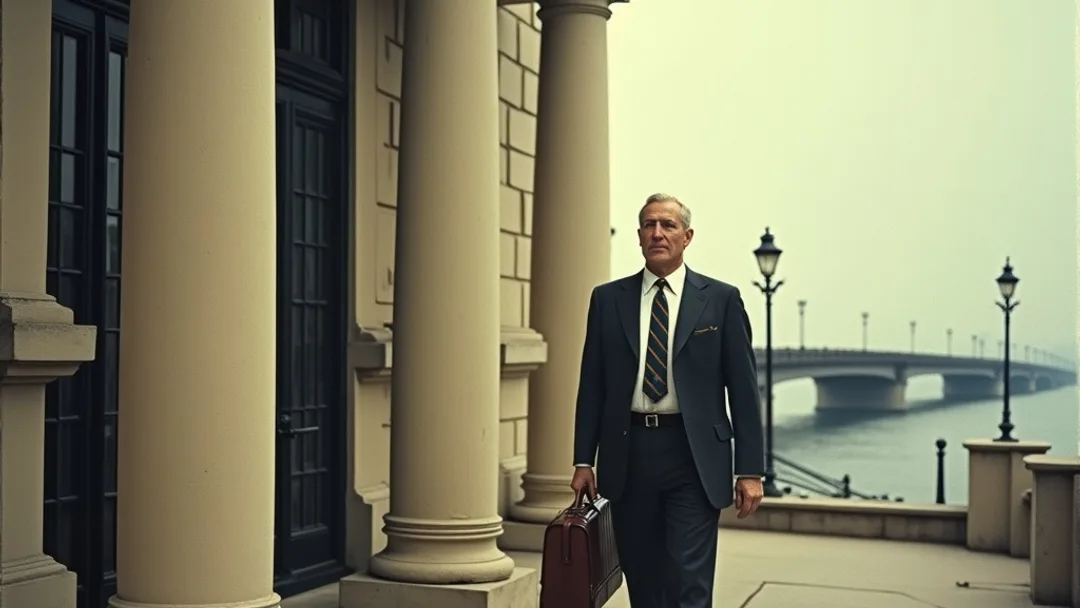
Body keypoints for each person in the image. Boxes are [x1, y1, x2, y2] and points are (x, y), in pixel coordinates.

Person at [570, 193, 766, 608]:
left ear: (687, 236)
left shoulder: (720, 299)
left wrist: (750, 469)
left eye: (668, 225)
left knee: (688, 582)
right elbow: (593, 385)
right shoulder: (607, 300)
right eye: (648, 224)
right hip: (629, 454)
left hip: (694, 457)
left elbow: (744, 390)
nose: (657, 232)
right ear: (639, 236)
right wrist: (583, 459)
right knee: (643, 582)